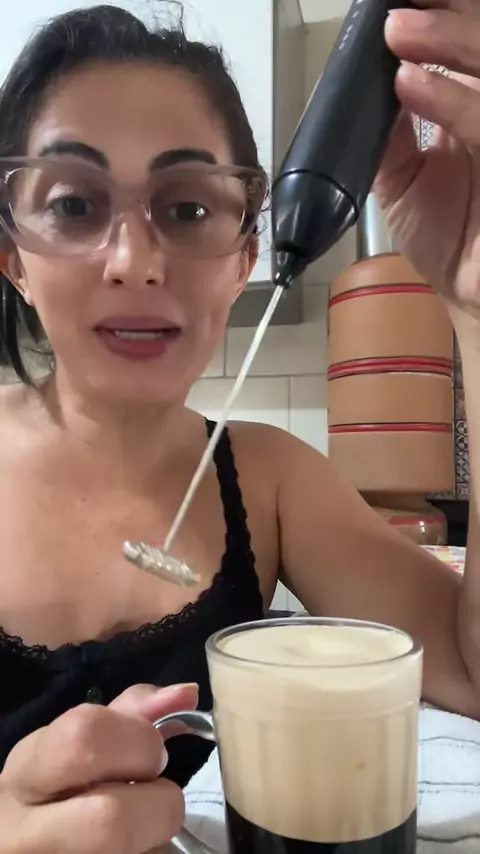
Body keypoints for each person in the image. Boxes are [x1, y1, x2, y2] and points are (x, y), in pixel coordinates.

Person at [0, 0, 478, 850]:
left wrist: (475, 308)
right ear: (13, 258)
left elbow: (470, 673)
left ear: (245, 256)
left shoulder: (270, 480)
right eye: (73, 206)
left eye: (188, 210)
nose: (135, 262)